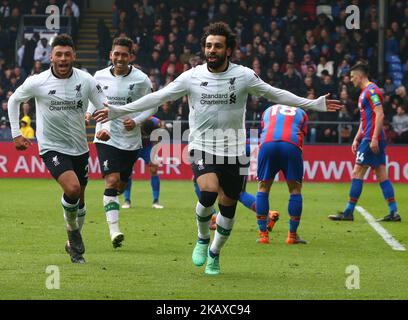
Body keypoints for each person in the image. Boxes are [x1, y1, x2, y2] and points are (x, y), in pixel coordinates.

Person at [94, 22, 341, 275]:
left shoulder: (243, 75)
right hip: (201, 146)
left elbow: (274, 94)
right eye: (209, 45)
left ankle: (214, 252)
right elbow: (159, 97)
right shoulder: (192, 76)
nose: (212, 50)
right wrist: (117, 111)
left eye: (218, 46)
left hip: (234, 150)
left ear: (229, 50)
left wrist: (313, 104)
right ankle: (202, 238)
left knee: (228, 206)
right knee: (209, 192)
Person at [7, 34, 109, 264]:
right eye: (58, 55)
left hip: (80, 148)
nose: (63, 59)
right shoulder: (38, 81)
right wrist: (16, 134)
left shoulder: (86, 80)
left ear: (74, 56)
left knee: (80, 200)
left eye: (67, 54)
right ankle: (73, 234)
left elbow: (105, 107)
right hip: (52, 147)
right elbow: (14, 100)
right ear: (51, 57)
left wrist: (105, 127)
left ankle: (72, 244)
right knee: (72, 189)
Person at [87, 37, 157, 249]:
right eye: (116, 54)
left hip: (130, 140)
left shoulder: (141, 80)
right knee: (111, 181)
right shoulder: (98, 76)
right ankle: (114, 231)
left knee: (120, 184)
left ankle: (115, 199)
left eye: (124, 55)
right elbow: (92, 99)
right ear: (110, 55)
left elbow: (153, 105)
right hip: (105, 134)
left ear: (131, 57)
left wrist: (136, 121)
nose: (119, 58)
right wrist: (89, 115)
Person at [329, 63, 401, 222]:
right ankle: (394, 212)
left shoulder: (372, 91)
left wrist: (373, 138)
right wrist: (357, 137)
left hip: (372, 138)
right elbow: (365, 119)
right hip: (369, 136)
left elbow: (380, 114)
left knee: (357, 173)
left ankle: (348, 212)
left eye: (353, 77)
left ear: (360, 76)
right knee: (381, 174)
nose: (351, 80)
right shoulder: (364, 93)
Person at [256, 104, 308, 245]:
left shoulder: (268, 110)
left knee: (263, 187)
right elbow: (302, 134)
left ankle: (263, 235)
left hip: (268, 144)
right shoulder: (301, 112)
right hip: (290, 145)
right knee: (295, 189)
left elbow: (264, 128)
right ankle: (292, 236)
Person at [122, 115, 164, 209]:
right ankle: (127, 200)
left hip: (147, 148)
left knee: (153, 169)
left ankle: (156, 201)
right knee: (127, 172)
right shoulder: (133, 120)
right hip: (134, 146)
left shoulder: (156, 122)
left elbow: (159, 138)